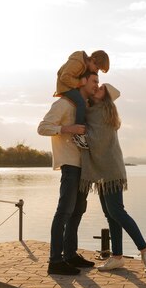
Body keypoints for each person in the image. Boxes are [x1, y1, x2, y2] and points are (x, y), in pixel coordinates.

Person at [79, 83, 146, 273]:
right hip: (103, 170)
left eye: (102, 88)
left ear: (105, 97)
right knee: (110, 214)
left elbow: (98, 138)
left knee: (117, 211)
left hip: (111, 170)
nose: (97, 88)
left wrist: (80, 134)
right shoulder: (91, 110)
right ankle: (117, 257)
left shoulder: (104, 111)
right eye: (97, 86)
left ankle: (144, 248)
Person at [38, 71, 101, 275]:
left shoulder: (86, 106)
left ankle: (70, 255)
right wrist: (69, 128)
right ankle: (55, 261)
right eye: (94, 81)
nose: (96, 85)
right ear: (82, 81)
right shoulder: (64, 104)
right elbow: (43, 128)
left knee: (78, 210)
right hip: (70, 164)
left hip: (84, 166)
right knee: (64, 211)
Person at [55, 50, 110, 150]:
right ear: (93, 60)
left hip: (71, 86)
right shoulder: (78, 62)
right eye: (97, 68)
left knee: (85, 102)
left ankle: (84, 131)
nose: (96, 71)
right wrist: (79, 83)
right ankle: (78, 135)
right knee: (81, 103)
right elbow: (64, 77)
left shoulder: (84, 64)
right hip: (65, 87)